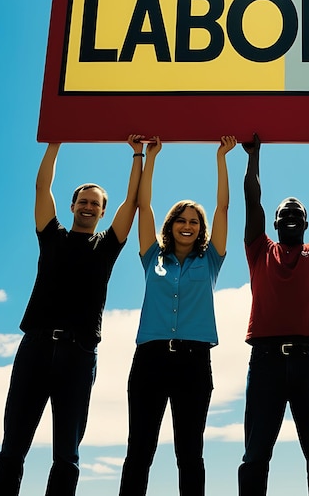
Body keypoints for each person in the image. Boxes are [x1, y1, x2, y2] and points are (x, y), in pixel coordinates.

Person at [0, 136, 144, 496]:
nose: (88, 206)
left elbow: (133, 202)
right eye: (83, 201)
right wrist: (55, 142)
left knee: (66, 456)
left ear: (102, 212)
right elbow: (43, 186)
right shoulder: (52, 235)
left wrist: (138, 155)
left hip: (78, 355)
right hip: (36, 348)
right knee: (13, 447)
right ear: (73, 205)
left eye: (95, 204)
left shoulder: (106, 246)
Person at [118, 135, 237, 496]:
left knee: (190, 453)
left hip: (193, 362)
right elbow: (143, 205)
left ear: (201, 229)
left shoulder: (211, 260)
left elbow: (223, 208)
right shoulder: (151, 255)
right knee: (140, 450)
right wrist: (148, 158)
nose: (188, 226)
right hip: (150, 360)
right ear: (170, 225)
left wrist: (221, 158)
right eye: (181, 220)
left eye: (195, 222)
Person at [237, 134, 309, 496]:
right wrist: (253, 157)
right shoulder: (260, 249)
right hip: (266, 361)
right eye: (283, 213)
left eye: (297, 214)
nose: (290, 216)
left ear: (306, 224)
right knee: (256, 454)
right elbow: (251, 200)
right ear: (273, 224)